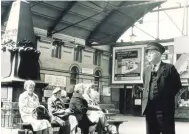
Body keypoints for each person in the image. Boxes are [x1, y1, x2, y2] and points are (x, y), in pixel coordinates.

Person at [142, 42, 182, 134]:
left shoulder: (169, 68)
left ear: (159, 54)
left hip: (165, 110)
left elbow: (177, 85)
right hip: (149, 109)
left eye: (151, 52)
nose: (148, 55)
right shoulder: (146, 70)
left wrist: (166, 97)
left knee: (167, 131)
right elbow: (145, 86)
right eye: (147, 53)